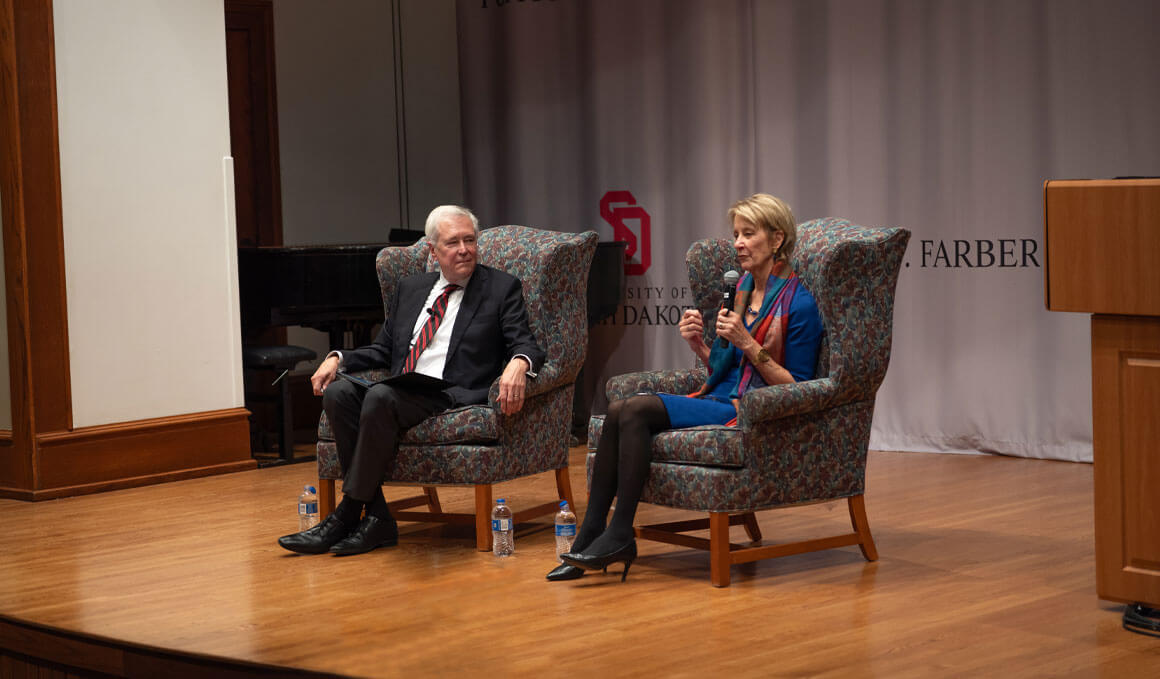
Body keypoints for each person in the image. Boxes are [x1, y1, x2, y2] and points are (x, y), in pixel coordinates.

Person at [550, 193, 823, 581]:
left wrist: (748, 343)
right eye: (736, 234)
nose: (738, 244)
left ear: (777, 240)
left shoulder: (800, 305)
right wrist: (700, 345)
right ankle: (596, 534)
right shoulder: (741, 289)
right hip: (717, 397)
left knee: (635, 408)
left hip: (748, 408)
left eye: (749, 234)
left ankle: (616, 533)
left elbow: (799, 386)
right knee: (620, 407)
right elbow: (724, 366)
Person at [279, 205, 545, 556]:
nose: (464, 249)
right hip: (405, 386)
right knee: (340, 392)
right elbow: (383, 349)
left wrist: (518, 363)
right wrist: (337, 358)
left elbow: (525, 342)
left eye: (470, 240)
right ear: (433, 251)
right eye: (453, 242)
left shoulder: (500, 288)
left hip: (449, 391)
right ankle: (377, 518)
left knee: (380, 397)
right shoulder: (412, 288)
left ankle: (345, 515)